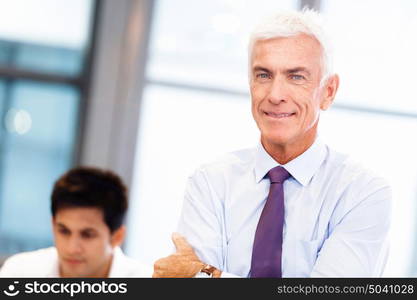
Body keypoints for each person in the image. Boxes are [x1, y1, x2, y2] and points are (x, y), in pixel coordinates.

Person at [153, 9, 392, 278]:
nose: (275, 95)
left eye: (296, 76)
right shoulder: (210, 182)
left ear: (328, 92)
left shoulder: (362, 193)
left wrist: (205, 275)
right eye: (264, 75)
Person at [0, 167, 151, 277]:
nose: (71, 249)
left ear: (117, 236)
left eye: (87, 235)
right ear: (53, 225)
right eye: (64, 231)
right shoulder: (20, 273)